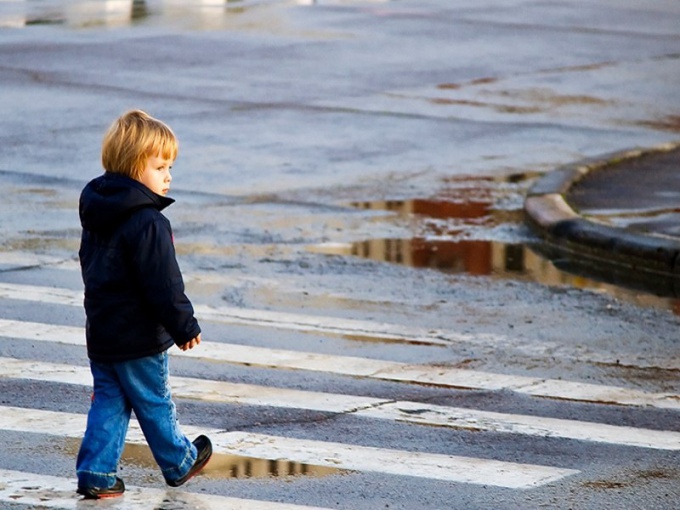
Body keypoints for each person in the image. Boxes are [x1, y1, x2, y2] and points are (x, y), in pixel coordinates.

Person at [75, 109, 212, 499]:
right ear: (135, 167)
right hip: (138, 337)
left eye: (170, 166)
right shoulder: (149, 222)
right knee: (154, 399)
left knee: (109, 401)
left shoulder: (97, 211)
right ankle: (179, 460)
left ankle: (96, 472)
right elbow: (163, 284)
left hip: (102, 331)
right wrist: (185, 326)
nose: (168, 176)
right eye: (160, 166)